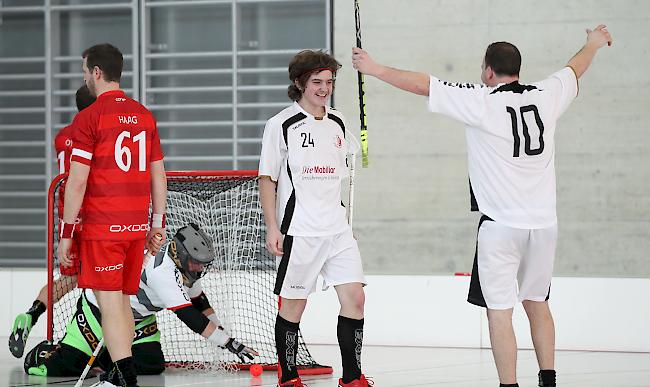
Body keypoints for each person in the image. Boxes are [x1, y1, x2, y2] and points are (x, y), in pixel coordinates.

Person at [352, 25, 613, 387]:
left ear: (488, 71)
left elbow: (423, 84)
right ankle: (549, 380)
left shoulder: (481, 98)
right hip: (544, 226)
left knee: (500, 312)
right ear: (518, 69)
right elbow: (574, 68)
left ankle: (509, 385)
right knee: (538, 303)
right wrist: (593, 43)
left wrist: (374, 68)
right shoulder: (547, 94)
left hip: (501, 228)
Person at [56, 43, 168, 387]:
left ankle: (124, 377)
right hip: (136, 225)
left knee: (111, 304)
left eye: (84, 71)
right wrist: (156, 224)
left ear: (96, 72)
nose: (84, 77)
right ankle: (121, 373)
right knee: (121, 300)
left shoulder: (89, 117)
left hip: (104, 226)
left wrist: (67, 233)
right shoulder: (144, 114)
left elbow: (76, 183)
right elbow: (158, 174)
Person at [259, 50, 369, 387]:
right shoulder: (280, 125)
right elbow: (267, 179)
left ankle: (352, 378)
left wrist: (363, 146)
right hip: (300, 229)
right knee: (293, 307)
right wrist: (272, 228)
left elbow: (350, 161)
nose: (324, 88)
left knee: (356, 299)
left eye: (329, 82)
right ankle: (288, 377)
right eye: (317, 82)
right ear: (299, 83)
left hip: (337, 229)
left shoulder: (338, 121)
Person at [24, 224, 258, 377]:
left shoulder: (186, 269)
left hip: (138, 318)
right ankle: (45, 352)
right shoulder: (162, 271)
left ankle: (108, 359)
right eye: (196, 262)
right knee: (64, 367)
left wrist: (221, 330)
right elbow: (190, 317)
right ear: (183, 256)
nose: (200, 268)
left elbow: (200, 302)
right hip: (100, 310)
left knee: (151, 365)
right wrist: (229, 343)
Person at [8, 85, 96, 359]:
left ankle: (31, 315)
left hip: (67, 216)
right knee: (102, 280)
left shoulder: (62, 136)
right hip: (92, 214)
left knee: (68, 280)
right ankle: (89, 340)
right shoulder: (94, 133)